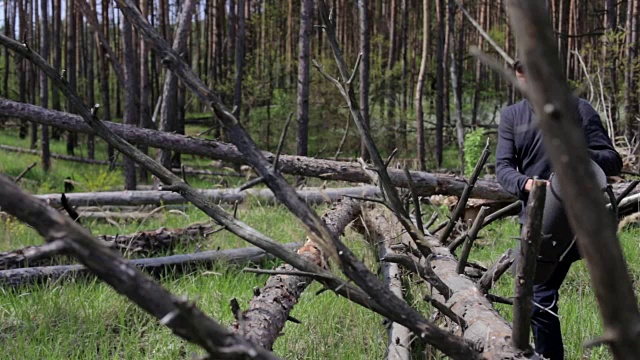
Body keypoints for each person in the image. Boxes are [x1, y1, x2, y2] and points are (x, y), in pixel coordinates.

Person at [495, 60, 623, 360]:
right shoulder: (513, 116)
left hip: (580, 223)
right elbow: (502, 168)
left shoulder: (579, 110)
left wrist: (577, 154)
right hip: (536, 219)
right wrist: (526, 184)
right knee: (537, 297)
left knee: (539, 295)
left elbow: (612, 160)